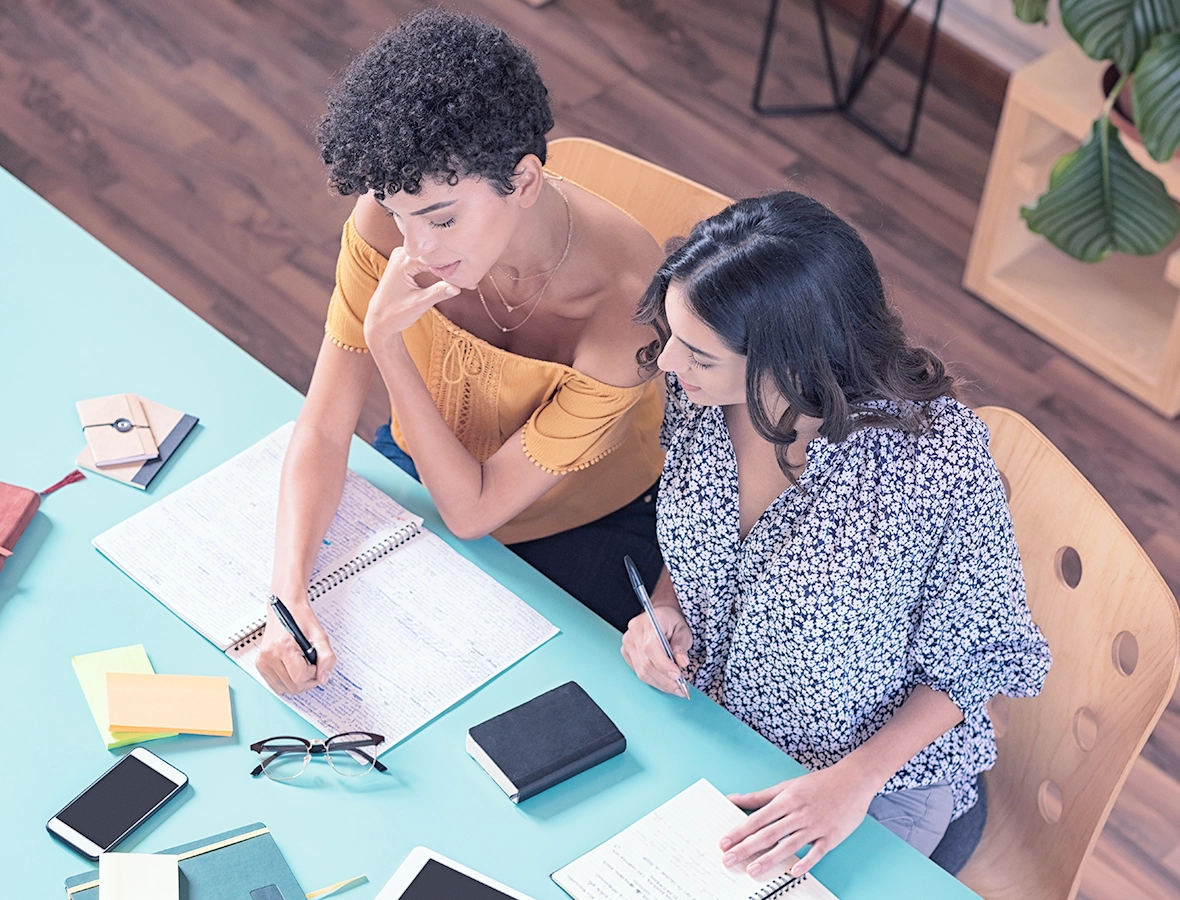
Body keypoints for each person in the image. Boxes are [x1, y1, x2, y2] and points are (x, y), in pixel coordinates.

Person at [621, 191, 1051, 877]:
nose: (668, 363)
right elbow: (701, 548)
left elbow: (979, 660)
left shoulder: (931, 465)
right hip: (717, 724)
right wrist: (663, 612)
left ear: (791, 358)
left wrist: (852, 782)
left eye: (699, 354)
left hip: (871, 781)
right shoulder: (702, 394)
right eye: (674, 337)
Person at [257, 10, 666, 695]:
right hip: (430, 462)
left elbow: (474, 515)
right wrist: (285, 595)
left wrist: (388, 344)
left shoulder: (622, 308)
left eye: (443, 218)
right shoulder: (391, 224)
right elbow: (326, 427)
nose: (417, 249)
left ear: (526, 181)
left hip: (585, 521)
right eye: (396, 213)